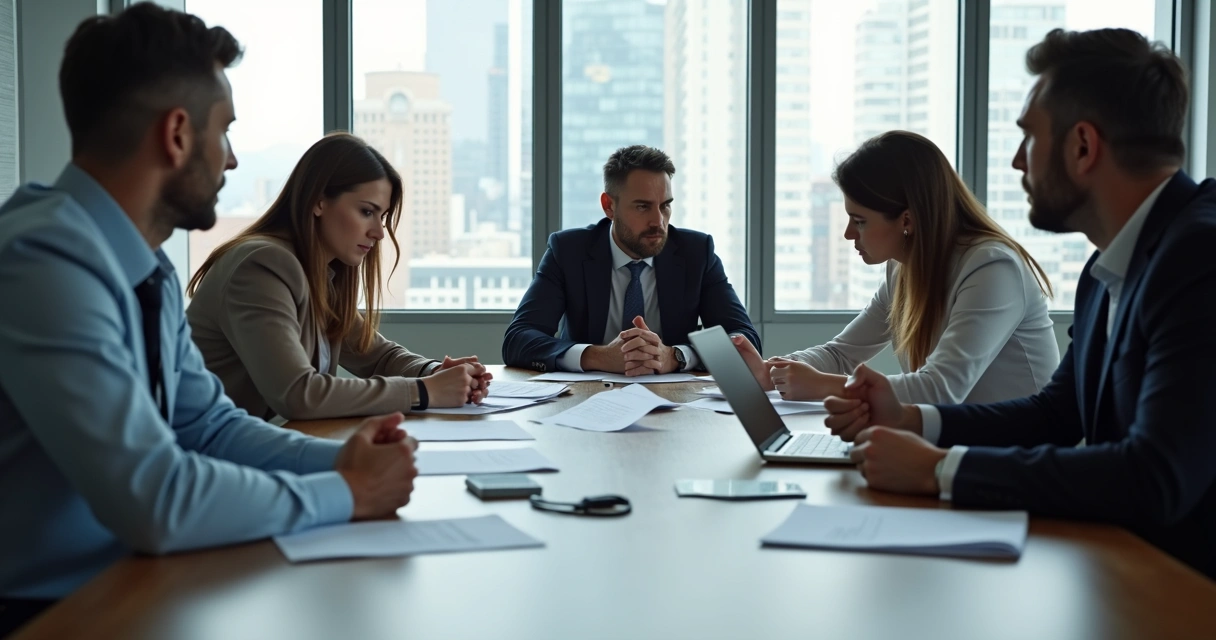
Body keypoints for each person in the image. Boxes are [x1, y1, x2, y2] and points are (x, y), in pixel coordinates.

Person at [0, 6, 418, 633]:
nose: (231, 161)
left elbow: (209, 425)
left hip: (140, 579)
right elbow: (156, 497)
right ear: (176, 134)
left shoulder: (144, 267)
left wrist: (341, 463)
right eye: (224, 132)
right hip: (55, 610)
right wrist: (350, 494)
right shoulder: (41, 262)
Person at [824, 28, 1216, 580]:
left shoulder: (1200, 255)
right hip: (1128, 572)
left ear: (1083, 146)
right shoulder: (1108, 265)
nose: (1015, 161)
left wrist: (942, 469)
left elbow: (1156, 475)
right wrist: (912, 419)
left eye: (1028, 137)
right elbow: (1056, 415)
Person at [734, 131, 1059, 405]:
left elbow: (940, 389)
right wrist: (772, 372)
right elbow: (841, 354)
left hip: (1016, 462)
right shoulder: (902, 269)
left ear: (907, 219)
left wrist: (828, 386)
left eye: (859, 221)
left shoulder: (992, 268)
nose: (848, 234)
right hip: (953, 446)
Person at [186, 133, 491, 421]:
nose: (379, 232)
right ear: (319, 201)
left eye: (381, 216)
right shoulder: (263, 266)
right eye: (366, 211)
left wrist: (434, 372)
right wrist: (425, 392)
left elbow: (376, 356)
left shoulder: (316, 272)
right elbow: (298, 394)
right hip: (201, 457)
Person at [503, 145, 760, 375]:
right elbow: (518, 339)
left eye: (665, 205)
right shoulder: (569, 252)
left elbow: (745, 339)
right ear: (609, 206)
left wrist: (676, 356)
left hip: (677, 403)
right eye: (642, 207)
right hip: (585, 400)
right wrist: (600, 357)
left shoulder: (696, 252)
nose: (658, 221)